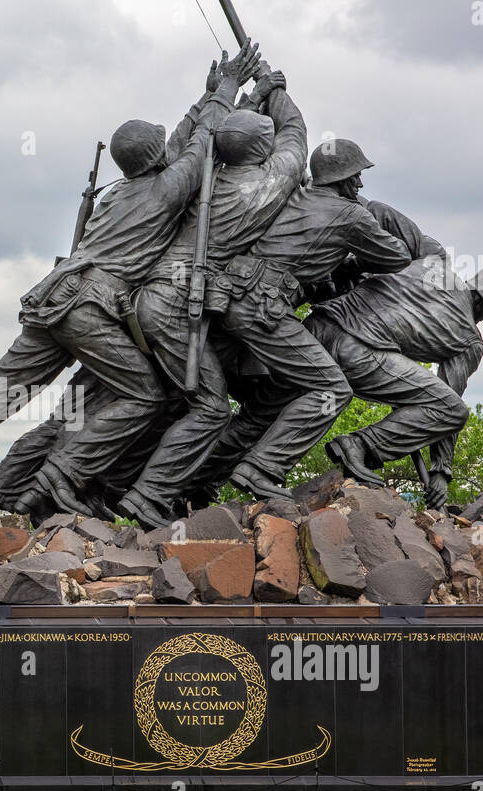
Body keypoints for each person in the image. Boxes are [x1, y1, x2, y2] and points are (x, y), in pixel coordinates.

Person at [0, 43, 262, 523]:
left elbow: (182, 141)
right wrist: (227, 89)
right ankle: (66, 474)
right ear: (157, 156)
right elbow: (198, 146)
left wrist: (206, 97)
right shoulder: (165, 191)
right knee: (145, 396)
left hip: (52, 298)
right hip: (89, 307)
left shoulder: (119, 191)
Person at [114, 65, 306, 528]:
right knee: (212, 408)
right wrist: (277, 93)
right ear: (262, 152)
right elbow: (296, 139)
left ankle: (140, 488)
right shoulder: (262, 186)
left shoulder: (204, 175)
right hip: (176, 304)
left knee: (176, 399)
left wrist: (249, 94)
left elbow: (217, 136)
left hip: (150, 299)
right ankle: (147, 496)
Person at [181, 139, 413, 514]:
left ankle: (198, 480)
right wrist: (355, 255)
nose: (361, 185)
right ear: (342, 179)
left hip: (234, 298)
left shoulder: (297, 196)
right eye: (356, 176)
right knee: (332, 389)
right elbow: (397, 256)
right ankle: (262, 468)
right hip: (263, 306)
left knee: (265, 406)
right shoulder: (352, 215)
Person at [305, 244, 483, 508]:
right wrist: (441, 471)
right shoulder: (469, 339)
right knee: (452, 410)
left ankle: (248, 457)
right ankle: (359, 446)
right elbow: (448, 403)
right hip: (356, 352)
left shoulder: (431, 267)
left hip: (315, 328)